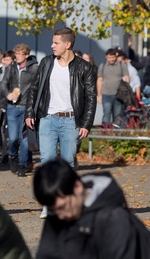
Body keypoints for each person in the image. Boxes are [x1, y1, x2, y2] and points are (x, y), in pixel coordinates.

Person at [33, 158, 150, 259]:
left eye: (62, 207)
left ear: (77, 187)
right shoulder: (57, 211)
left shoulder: (115, 218)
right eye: (53, 210)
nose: (60, 215)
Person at [24, 27, 97, 169]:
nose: (52, 46)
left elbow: (91, 98)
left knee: (68, 162)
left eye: (56, 43)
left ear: (67, 45)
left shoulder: (84, 67)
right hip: (47, 118)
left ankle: (65, 190)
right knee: (46, 160)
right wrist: (29, 113)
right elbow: (34, 89)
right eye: (53, 42)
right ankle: (49, 191)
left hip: (71, 121)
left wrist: (86, 123)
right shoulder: (46, 62)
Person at [0, 43, 39, 177]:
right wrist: (7, 94)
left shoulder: (34, 68)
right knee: (12, 139)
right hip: (12, 107)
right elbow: (3, 83)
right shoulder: (11, 67)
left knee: (25, 140)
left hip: (27, 108)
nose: (16, 56)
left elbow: (37, 87)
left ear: (26, 55)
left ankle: (22, 165)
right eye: (15, 54)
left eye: (19, 54)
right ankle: (12, 156)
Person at [96, 48, 130, 127]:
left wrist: (125, 92)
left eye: (113, 57)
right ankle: (105, 133)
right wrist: (99, 95)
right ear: (106, 57)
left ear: (116, 56)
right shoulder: (102, 66)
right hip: (106, 94)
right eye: (109, 57)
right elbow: (99, 81)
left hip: (118, 96)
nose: (111, 59)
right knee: (106, 114)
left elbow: (127, 79)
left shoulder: (122, 65)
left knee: (117, 116)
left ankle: (116, 135)